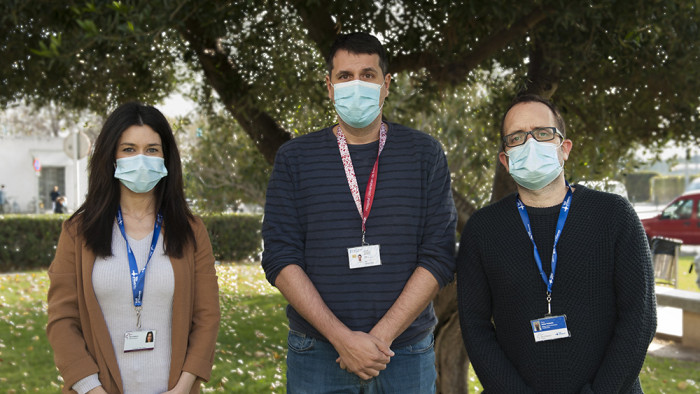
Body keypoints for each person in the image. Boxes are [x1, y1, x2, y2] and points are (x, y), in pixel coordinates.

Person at [261, 32, 457, 393]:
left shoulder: (425, 154)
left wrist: (378, 339)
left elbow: (438, 257)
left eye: (367, 75)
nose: (356, 85)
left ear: (386, 85)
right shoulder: (294, 158)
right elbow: (280, 257)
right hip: (318, 353)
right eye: (344, 76)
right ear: (329, 86)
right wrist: (342, 339)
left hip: (405, 353)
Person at [456, 94, 657, 393]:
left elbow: (639, 318)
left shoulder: (614, 216)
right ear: (505, 160)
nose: (531, 143)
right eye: (516, 138)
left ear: (564, 149)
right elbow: (475, 327)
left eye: (542, 133)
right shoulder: (483, 230)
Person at [47, 102, 220, 394]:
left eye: (152, 149)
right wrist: (91, 388)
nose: (141, 158)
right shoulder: (78, 232)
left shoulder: (191, 231)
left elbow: (207, 317)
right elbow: (62, 321)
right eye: (128, 149)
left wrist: (183, 387)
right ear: (111, 157)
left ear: (166, 158)